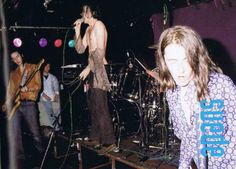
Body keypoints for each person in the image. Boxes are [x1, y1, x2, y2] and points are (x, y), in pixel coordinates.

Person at [156, 25, 236, 168]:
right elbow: (188, 139)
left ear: (197, 58)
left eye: (186, 60)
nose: (180, 70)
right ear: (164, 61)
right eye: (172, 61)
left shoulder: (221, 86)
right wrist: (184, 165)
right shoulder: (172, 93)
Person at [73, 2, 116, 151]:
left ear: (91, 11)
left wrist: (87, 68)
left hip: (100, 68)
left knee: (100, 104)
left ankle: (110, 142)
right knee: (93, 105)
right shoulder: (89, 29)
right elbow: (79, 49)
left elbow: (99, 53)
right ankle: (97, 138)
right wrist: (78, 31)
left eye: (85, 10)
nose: (82, 13)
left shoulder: (99, 26)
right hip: (93, 69)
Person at [2, 50, 44, 169]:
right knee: (15, 132)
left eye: (18, 56)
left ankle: (42, 154)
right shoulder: (13, 74)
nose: (16, 59)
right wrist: (6, 103)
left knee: (35, 132)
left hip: (29, 104)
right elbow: (10, 92)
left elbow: (38, 86)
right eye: (13, 58)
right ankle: (20, 158)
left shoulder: (33, 67)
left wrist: (28, 88)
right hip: (16, 105)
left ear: (22, 55)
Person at [38, 62, 61, 133]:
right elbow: (40, 90)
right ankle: (55, 128)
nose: (48, 68)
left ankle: (58, 127)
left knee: (57, 113)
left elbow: (56, 88)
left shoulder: (53, 77)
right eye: (46, 66)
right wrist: (48, 98)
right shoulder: (39, 77)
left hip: (54, 97)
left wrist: (55, 97)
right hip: (44, 98)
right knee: (50, 113)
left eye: (49, 66)